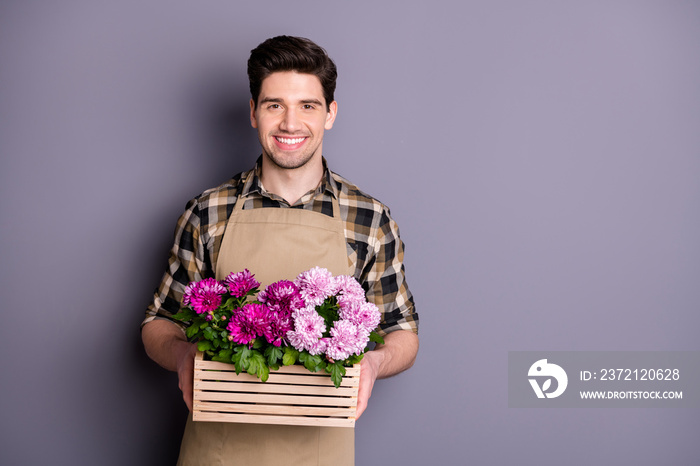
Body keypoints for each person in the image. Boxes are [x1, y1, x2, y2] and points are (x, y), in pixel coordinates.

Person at [141, 35, 419, 466]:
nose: (290, 123)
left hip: (320, 452)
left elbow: (403, 331)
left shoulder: (369, 218)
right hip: (215, 451)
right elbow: (158, 322)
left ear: (331, 114)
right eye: (275, 105)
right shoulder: (208, 211)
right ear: (253, 113)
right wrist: (182, 355)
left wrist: (374, 365)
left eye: (308, 105)